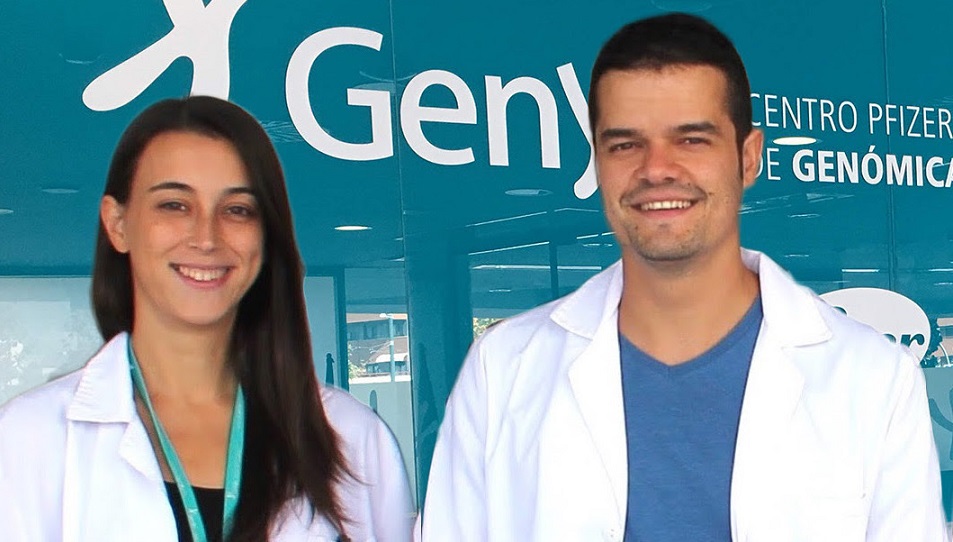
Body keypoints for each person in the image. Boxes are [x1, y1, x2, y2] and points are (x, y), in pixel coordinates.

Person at [417, 13, 947, 542]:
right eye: (625, 144)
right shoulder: (503, 370)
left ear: (748, 158)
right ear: (597, 162)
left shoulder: (873, 379)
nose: (656, 169)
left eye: (691, 140)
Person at [0, 96, 414, 541]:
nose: (206, 237)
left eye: (238, 210)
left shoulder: (352, 438)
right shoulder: (30, 439)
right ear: (117, 224)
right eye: (174, 205)